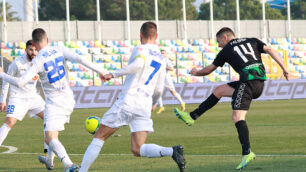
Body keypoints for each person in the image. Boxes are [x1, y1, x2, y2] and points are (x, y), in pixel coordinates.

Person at [174, 27, 289, 170]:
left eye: (219, 41)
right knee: (219, 91)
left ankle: (247, 152)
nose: (218, 45)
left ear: (225, 38)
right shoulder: (252, 40)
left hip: (248, 82)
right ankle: (192, 116)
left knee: (237, 117)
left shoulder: (226, 50)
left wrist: (196, 72)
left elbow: (209, 70)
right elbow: (270, 50)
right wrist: (285, 69)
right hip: (258, 82)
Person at [78, 22, 186, 172]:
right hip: (144, 105)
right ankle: (172, 151)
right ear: (156, 36)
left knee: (99, 136)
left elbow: (138, 64)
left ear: (140, 35)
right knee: (137, 148)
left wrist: (113, 74)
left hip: (129, 100)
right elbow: (159, 89)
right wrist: (153, 103)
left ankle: (81, 170)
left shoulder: (140, 48)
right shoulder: (161, 59)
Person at [0, 28, 104, 172]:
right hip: (68, 99)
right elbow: (80, 59)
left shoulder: (38, 61)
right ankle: (49, 159)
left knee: (50, 138)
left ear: (35, 46)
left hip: (53, 102)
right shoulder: (59, 49)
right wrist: (102, 72)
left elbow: (19, 82)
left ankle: (68, 164)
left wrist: (1, 74)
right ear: (47, 40)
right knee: (49, 129)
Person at [0, 40, 47, 154]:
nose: (33, 52)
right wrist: (3, 100)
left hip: (32, 96)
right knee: (10, 122)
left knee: (49, 118)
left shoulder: (39, 62)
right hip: (17, 98)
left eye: (35, 50)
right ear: (25, 50)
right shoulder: (17, 63)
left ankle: (48, 150)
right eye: (31, 49)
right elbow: (6, 81)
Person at [154, 50, 185, 114]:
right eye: (161, 53)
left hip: (167, 79)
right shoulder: (158, 60)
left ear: (165, 54)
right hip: (160, 78)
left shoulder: (166, 60)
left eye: (163, 53)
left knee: (173, 92)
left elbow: (171, 68)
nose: (162, 54)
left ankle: (182, 103)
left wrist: (164, 66)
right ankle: (161, 106)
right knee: (158, 91)